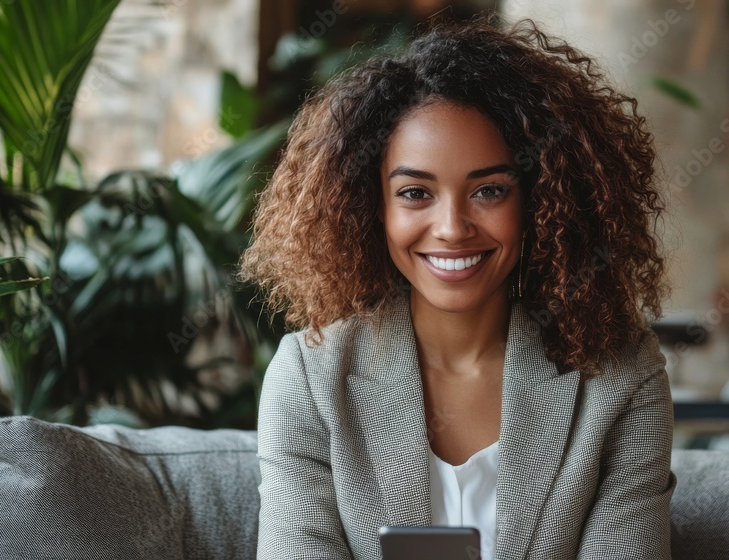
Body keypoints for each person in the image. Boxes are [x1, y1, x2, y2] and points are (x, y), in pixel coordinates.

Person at [241, 16, 675, 560]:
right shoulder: (309, 380)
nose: (451, 227)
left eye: (489, 190)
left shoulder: (619, 377)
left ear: (539, 201)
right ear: (370, 207)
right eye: (416, 193)